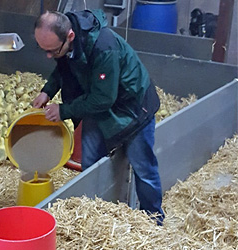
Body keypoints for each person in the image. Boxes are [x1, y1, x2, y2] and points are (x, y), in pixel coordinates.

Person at [32, 10, 165, 223]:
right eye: (42, 50)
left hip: (133, 108)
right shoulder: (66, 45)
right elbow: (63, 65)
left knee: (143, 168)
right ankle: (96, 221)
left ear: (70, 36)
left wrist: (64, 110)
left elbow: (103, 99)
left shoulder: (104, 49)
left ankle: (153, 220)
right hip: (98, 103)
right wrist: (47, 90)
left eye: (52, 50)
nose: (49, 56)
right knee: (90, 165)